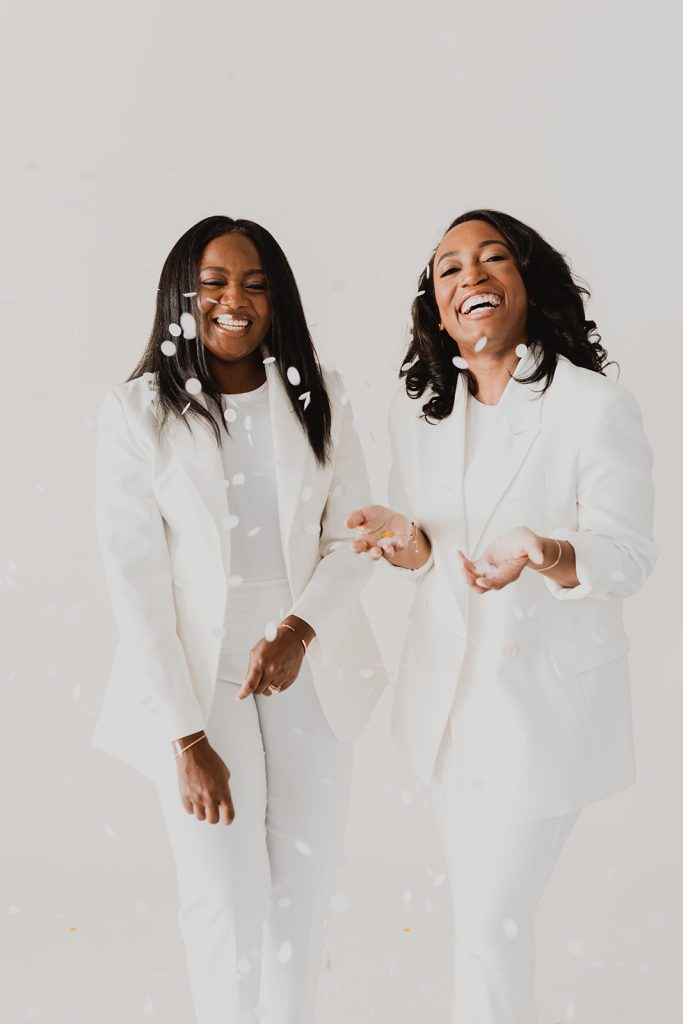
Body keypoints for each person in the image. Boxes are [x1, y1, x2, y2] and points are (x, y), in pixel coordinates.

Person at [346, 209, 657, 1023]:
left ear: (528, 281)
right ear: (436, 304)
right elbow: (432, 552)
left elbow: (627, 559)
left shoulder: (592, 406)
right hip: (448, 712)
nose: (469, 278)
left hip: (541, 713)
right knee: (486, 929)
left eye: (491, 260)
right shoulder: (420, 412)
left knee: (489, 928)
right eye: (448, 269)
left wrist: (546, 551)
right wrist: (405, 543)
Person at [93, 215, 385, 1024]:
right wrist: (186, 740)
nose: (234, 300)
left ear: (277, 299)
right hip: (197, 683)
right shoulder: (136, 413)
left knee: (302, 895)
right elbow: (136, 584)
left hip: (308, 673)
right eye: (214, 283)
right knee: (223, 902)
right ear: (180, 297)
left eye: (255, 284)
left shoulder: (316, 392)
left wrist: (299, 631)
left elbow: (356, 536)